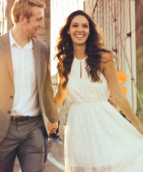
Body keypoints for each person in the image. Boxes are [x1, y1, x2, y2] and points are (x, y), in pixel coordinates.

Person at [0, 0, 59, 172]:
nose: (42, 24)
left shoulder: (43, 49)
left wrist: (53, 118)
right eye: (38, 19)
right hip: (2, 128)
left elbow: (46, 86)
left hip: (33, 128)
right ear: (23, 19)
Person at [54, 10, 143, 171]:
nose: (80, 30)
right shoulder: (65, 62)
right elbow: (60, 95)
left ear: (90, 31)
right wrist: (48, 119)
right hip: (77, 128)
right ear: (68, 30)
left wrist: (138, 126)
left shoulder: (104, 57)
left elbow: (118, 96)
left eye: (85, 26)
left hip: (104, 123)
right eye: (75, 25)